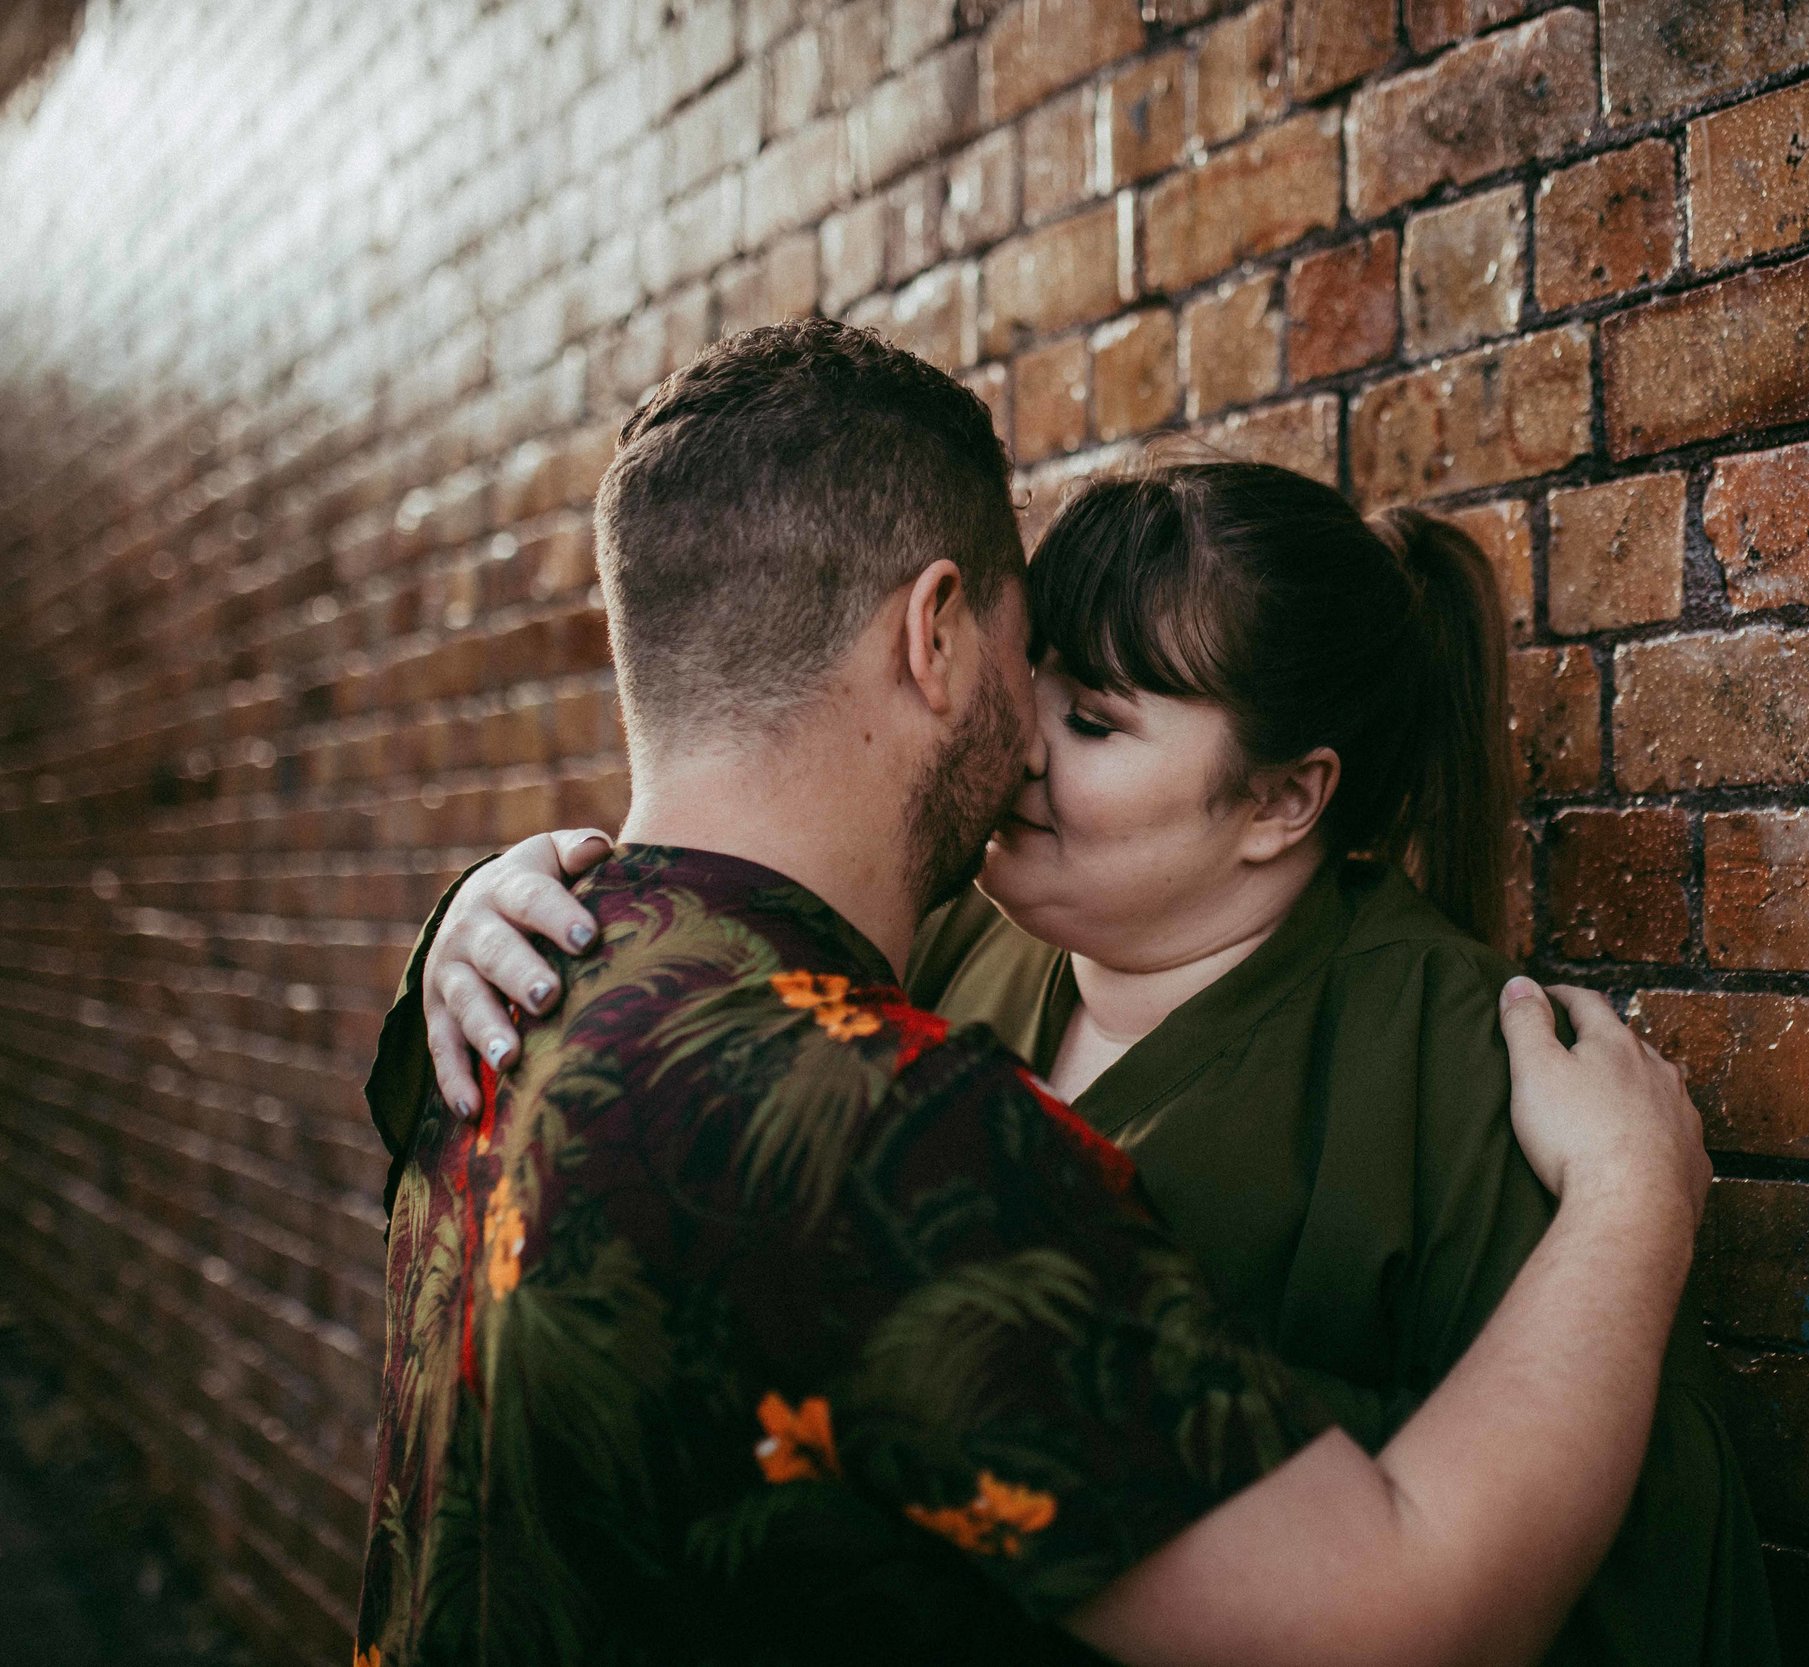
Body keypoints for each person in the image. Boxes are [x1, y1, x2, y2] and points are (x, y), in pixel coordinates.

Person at [355, 319, 1712, 1667]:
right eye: (1030, 676)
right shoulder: (891, 1065)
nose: (1021, 741)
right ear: (935, 635)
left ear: (1290, 795)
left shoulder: (546, 990)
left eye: (1099, 718)